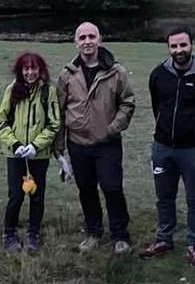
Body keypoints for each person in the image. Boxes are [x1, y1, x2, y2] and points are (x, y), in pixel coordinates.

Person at [139, 28, 195, 268]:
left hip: (194, 149)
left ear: (192, 44)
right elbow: (156, 103)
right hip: (163, 147)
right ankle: (164, 239)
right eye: (174, 46)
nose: (179, 51)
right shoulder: (159, 74)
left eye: (183, 45)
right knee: (164, 197)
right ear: (168, 48)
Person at [54, 22, 136, 254]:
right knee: (86, 189)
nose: (87, 41)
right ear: (76, 42)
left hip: (107, 143)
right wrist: (59, 148)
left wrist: (113, 127)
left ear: (99, 40)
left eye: (92, 36)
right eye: (82, 37)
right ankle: (93, 232)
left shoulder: (116, 71)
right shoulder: (67, 74)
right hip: (78, 144)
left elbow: (127, 102)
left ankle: (120, 234)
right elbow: (59, 111)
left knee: (112, 188)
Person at [0, 52, 62, 253]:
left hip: (38, 156)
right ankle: (9, 232)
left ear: (41, 70)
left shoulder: (48, 92)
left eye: (34, 68)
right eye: (26, 68)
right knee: (16, 195)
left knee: (36, 195)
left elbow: (54, 123)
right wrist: (15, 144)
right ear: (20, 70)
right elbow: (2, 120)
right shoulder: (12, 90)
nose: (30, 72)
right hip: (15, 155)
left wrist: (36, 145)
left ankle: (33, 233)